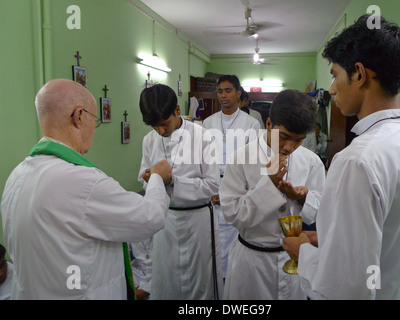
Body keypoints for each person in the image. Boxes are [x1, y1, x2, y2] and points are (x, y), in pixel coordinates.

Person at [282, 15, 400, 300]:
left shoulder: (357, 160)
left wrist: (303, 252)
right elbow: (389, 240)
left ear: (358, 74)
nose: (332, 89)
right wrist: (332, 242)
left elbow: (346, 287)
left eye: (334, 75)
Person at [1, 79, 171, 299]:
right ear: (79, 116)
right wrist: (158, 176)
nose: (94, 128)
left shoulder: (18, 175)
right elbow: (151, 216)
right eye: (95, 120)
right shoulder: (82, 181)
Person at [219, 89, 325, 299]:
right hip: (252, 261)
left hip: (293, 259)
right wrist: (268, 184)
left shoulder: (311, 161)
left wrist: (302, 198)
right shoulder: (242, 157)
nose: (289, 147)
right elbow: (232, 214)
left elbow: (322, 210)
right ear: (268, 124)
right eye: (284, 137)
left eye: (298, 140)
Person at [138, 84, 222, 299]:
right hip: (165, 221)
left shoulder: (203, 136)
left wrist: (173, 181)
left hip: (198, 220)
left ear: (177, 110)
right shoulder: (149, 140)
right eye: (154, 126)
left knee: (200, 281)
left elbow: (213, 185)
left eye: (164, 124)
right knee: (167, 277)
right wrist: (150, 179)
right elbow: (144, 180)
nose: (160, 131)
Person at [202, 75, 260, 281]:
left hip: (237, 186)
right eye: (219, 91)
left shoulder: (251, 124)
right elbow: (202, 159)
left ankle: (233, 282)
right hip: (211, 184)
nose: (223, 95)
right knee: (212, 239)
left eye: (228, 91)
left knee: (234, 240)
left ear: (238, 93)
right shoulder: (208, 123)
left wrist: (236, 191)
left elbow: (253, 164)